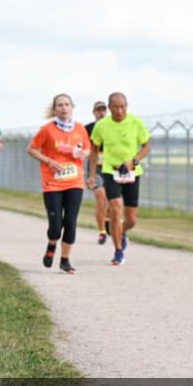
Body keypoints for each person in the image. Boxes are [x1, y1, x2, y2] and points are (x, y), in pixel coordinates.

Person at [27, 94, 90, 274]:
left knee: (70, 221)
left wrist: (83, 153)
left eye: (67, 104)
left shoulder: (80, 128)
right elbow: (31, 149)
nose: (63, 108)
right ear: (55, 109)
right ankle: (51, 245)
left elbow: (87, 148)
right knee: (56, 226)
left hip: (75, 181)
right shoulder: (47, 130)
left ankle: (65, 260)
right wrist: (48, 161)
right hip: (52, 183)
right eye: (60, 105)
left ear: (72, 107)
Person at [89, 92, 151, 266]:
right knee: (115, 207)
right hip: (111, 171)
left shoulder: (135, 122)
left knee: (131, 220)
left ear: (127, 106)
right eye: (116, 107)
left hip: (132, 172)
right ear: (109, 108)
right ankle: (118, 251)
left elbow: (147, 145)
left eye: (123, 106)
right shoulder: (101, 126)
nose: (119, 110)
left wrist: (135, 160)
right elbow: (94, 150)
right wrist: (92, 175)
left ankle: (121, 231)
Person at [85, 100, 111, 244]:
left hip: (111, 167)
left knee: (112, 200)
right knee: (100, 198)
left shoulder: (112, 127)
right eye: (98, 110)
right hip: (95, 168)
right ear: (94, 112)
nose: (101, 113)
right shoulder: (88, 128)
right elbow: (81, 145)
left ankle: (108, 221)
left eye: (103, 110)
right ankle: (101, 231)